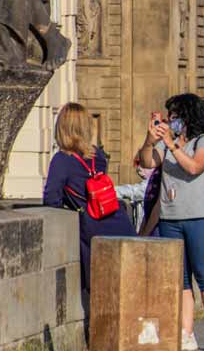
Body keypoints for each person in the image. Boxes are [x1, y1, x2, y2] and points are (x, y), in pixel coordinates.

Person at [138, 93, 204, 351]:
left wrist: (172, 144)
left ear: (188, 118)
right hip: (171, 217)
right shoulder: (166, 147)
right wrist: (150, 140)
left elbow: (194, 167)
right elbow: (147, 163)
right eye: (170, 117)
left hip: (200, 217)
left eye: (176, 116)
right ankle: (186, 332)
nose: (172, 121)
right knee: (181, 279)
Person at [44, 103, 136, 293]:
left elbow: (51, 199)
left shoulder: (62, 160)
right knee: (126, 285)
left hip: (92, 228)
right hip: (118, 219)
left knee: (102, 287)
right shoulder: (98, 155)